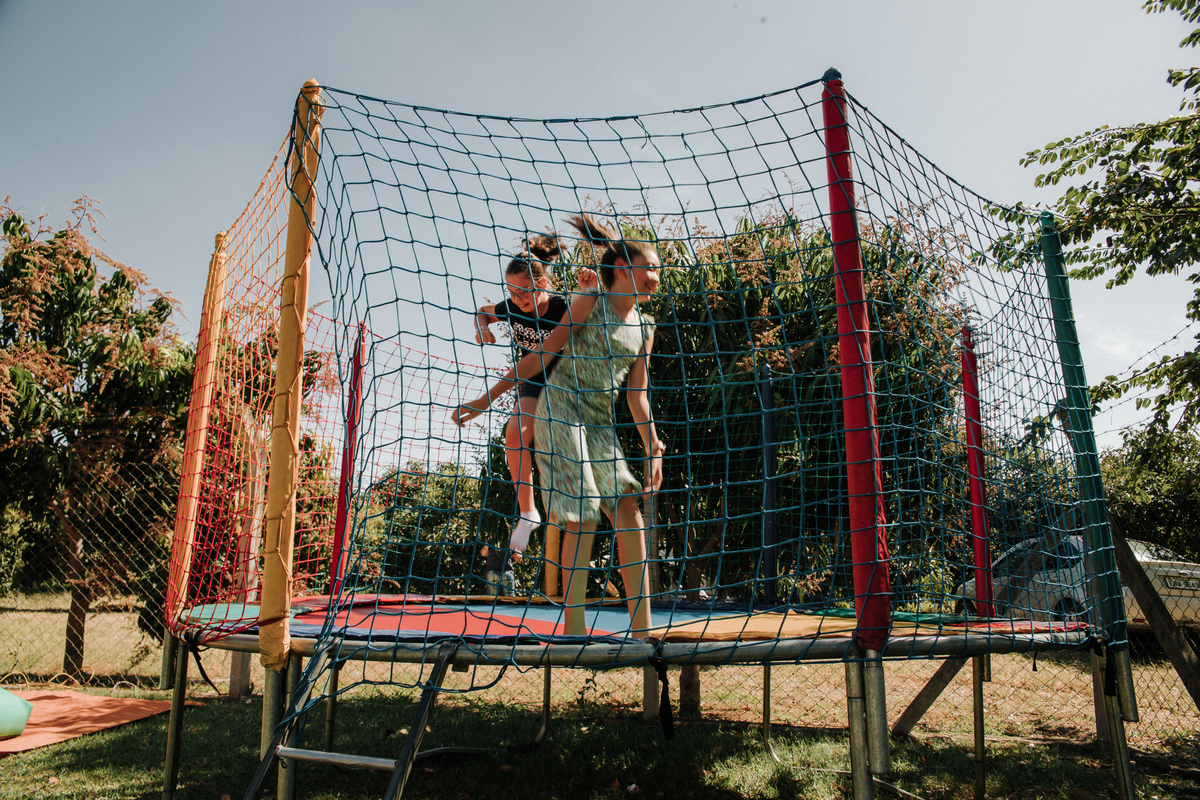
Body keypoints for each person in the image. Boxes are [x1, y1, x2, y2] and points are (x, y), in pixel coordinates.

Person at [458, 213, 665, 636]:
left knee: (626, 506)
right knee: (584, 513)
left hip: (598, 421)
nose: (656, 277)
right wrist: (487, 398)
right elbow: (540, 357)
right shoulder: (589, 303)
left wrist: (654, 445)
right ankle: (573, 629)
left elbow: (636, 396)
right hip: (558, 410)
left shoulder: (645, 327)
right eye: (650, 268)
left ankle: (643, 631)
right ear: (623, 269)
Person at [453, 236, 596, 556]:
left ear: (543, 282)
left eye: (523, 291)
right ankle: (528, 512)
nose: (516, 299)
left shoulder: (561, 308)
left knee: (556, 444)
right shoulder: (513, 307)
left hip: (568, 381)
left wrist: (589, 288)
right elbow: (483, 311)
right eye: (511, 292)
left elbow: (588, 313)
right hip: (534, 381)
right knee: (515, 432)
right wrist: (482, 328)